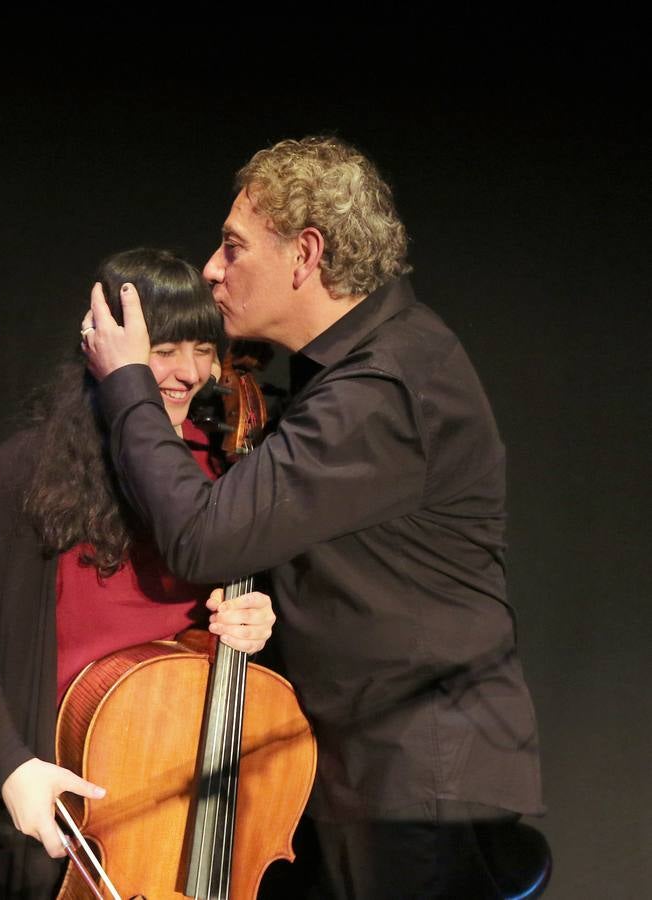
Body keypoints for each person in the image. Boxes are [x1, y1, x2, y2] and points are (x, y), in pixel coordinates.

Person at [82, 138, 544, 899]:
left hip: (415, 784)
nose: (210, 270)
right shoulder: (360, 371)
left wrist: (130, 383)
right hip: (376, 767)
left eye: (233, 247)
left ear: (306, 255)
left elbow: (204, 536)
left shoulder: (385, 386)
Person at [0, 248, 276, 899]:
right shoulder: (32, 466)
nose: (190, 373)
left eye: (204, 348)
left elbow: (233, 640)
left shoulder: (225, 473)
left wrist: (257, 623)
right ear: (104, 347)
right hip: (58, 807)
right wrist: (12, 769)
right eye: (165, 348)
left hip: (187, 814)